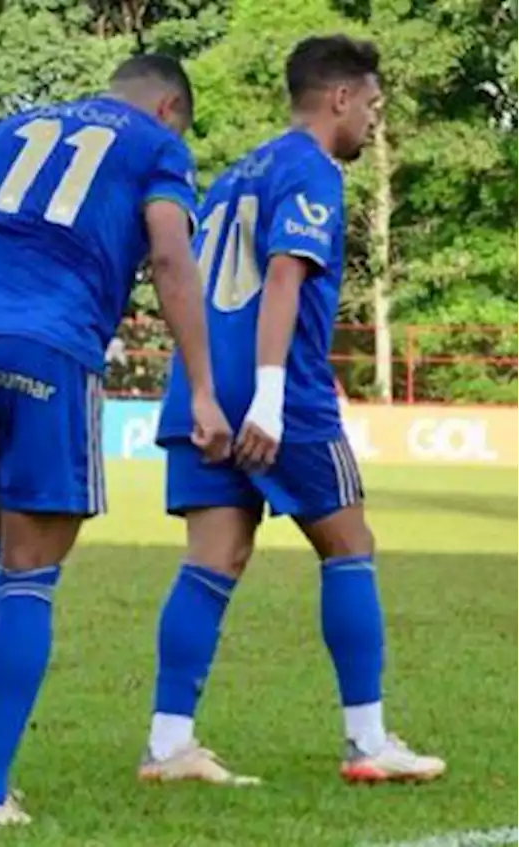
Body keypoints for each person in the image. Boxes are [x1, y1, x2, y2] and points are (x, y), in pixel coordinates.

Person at [0, 54, 232, 826]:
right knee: (30, 569)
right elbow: (172, 255)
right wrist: (204, 387)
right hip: (46, 343)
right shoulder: (156, 147)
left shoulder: (3, 130)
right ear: (170, 105)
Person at [143, 35, 445, 786]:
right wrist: (272, 401)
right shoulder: (311, 168)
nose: (374, 120)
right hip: (280, 391)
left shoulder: (237, 172)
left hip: (203, 387)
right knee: (350, 544)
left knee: (212, 560)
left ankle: (168, 743)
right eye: (372, 104)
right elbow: (283, 277)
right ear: (339, 97)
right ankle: (369, 739)